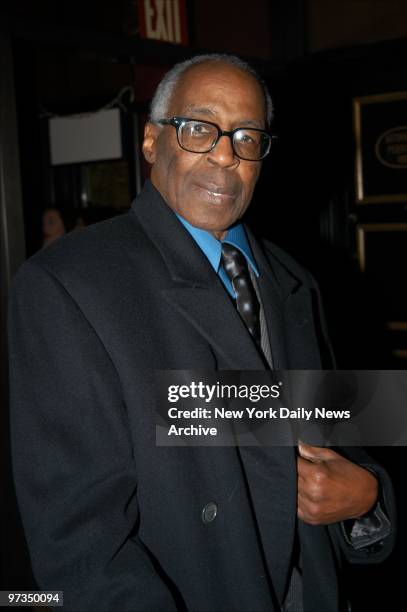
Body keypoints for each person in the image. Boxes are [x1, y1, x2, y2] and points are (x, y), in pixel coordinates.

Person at [8, 54, 395, 612]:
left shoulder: (294, 281)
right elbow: (81, 545)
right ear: (150, 141)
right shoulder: (67, 284)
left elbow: (340, 441)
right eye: (199, 128)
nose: (224, 153)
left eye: (246, 136)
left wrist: (367, 502)